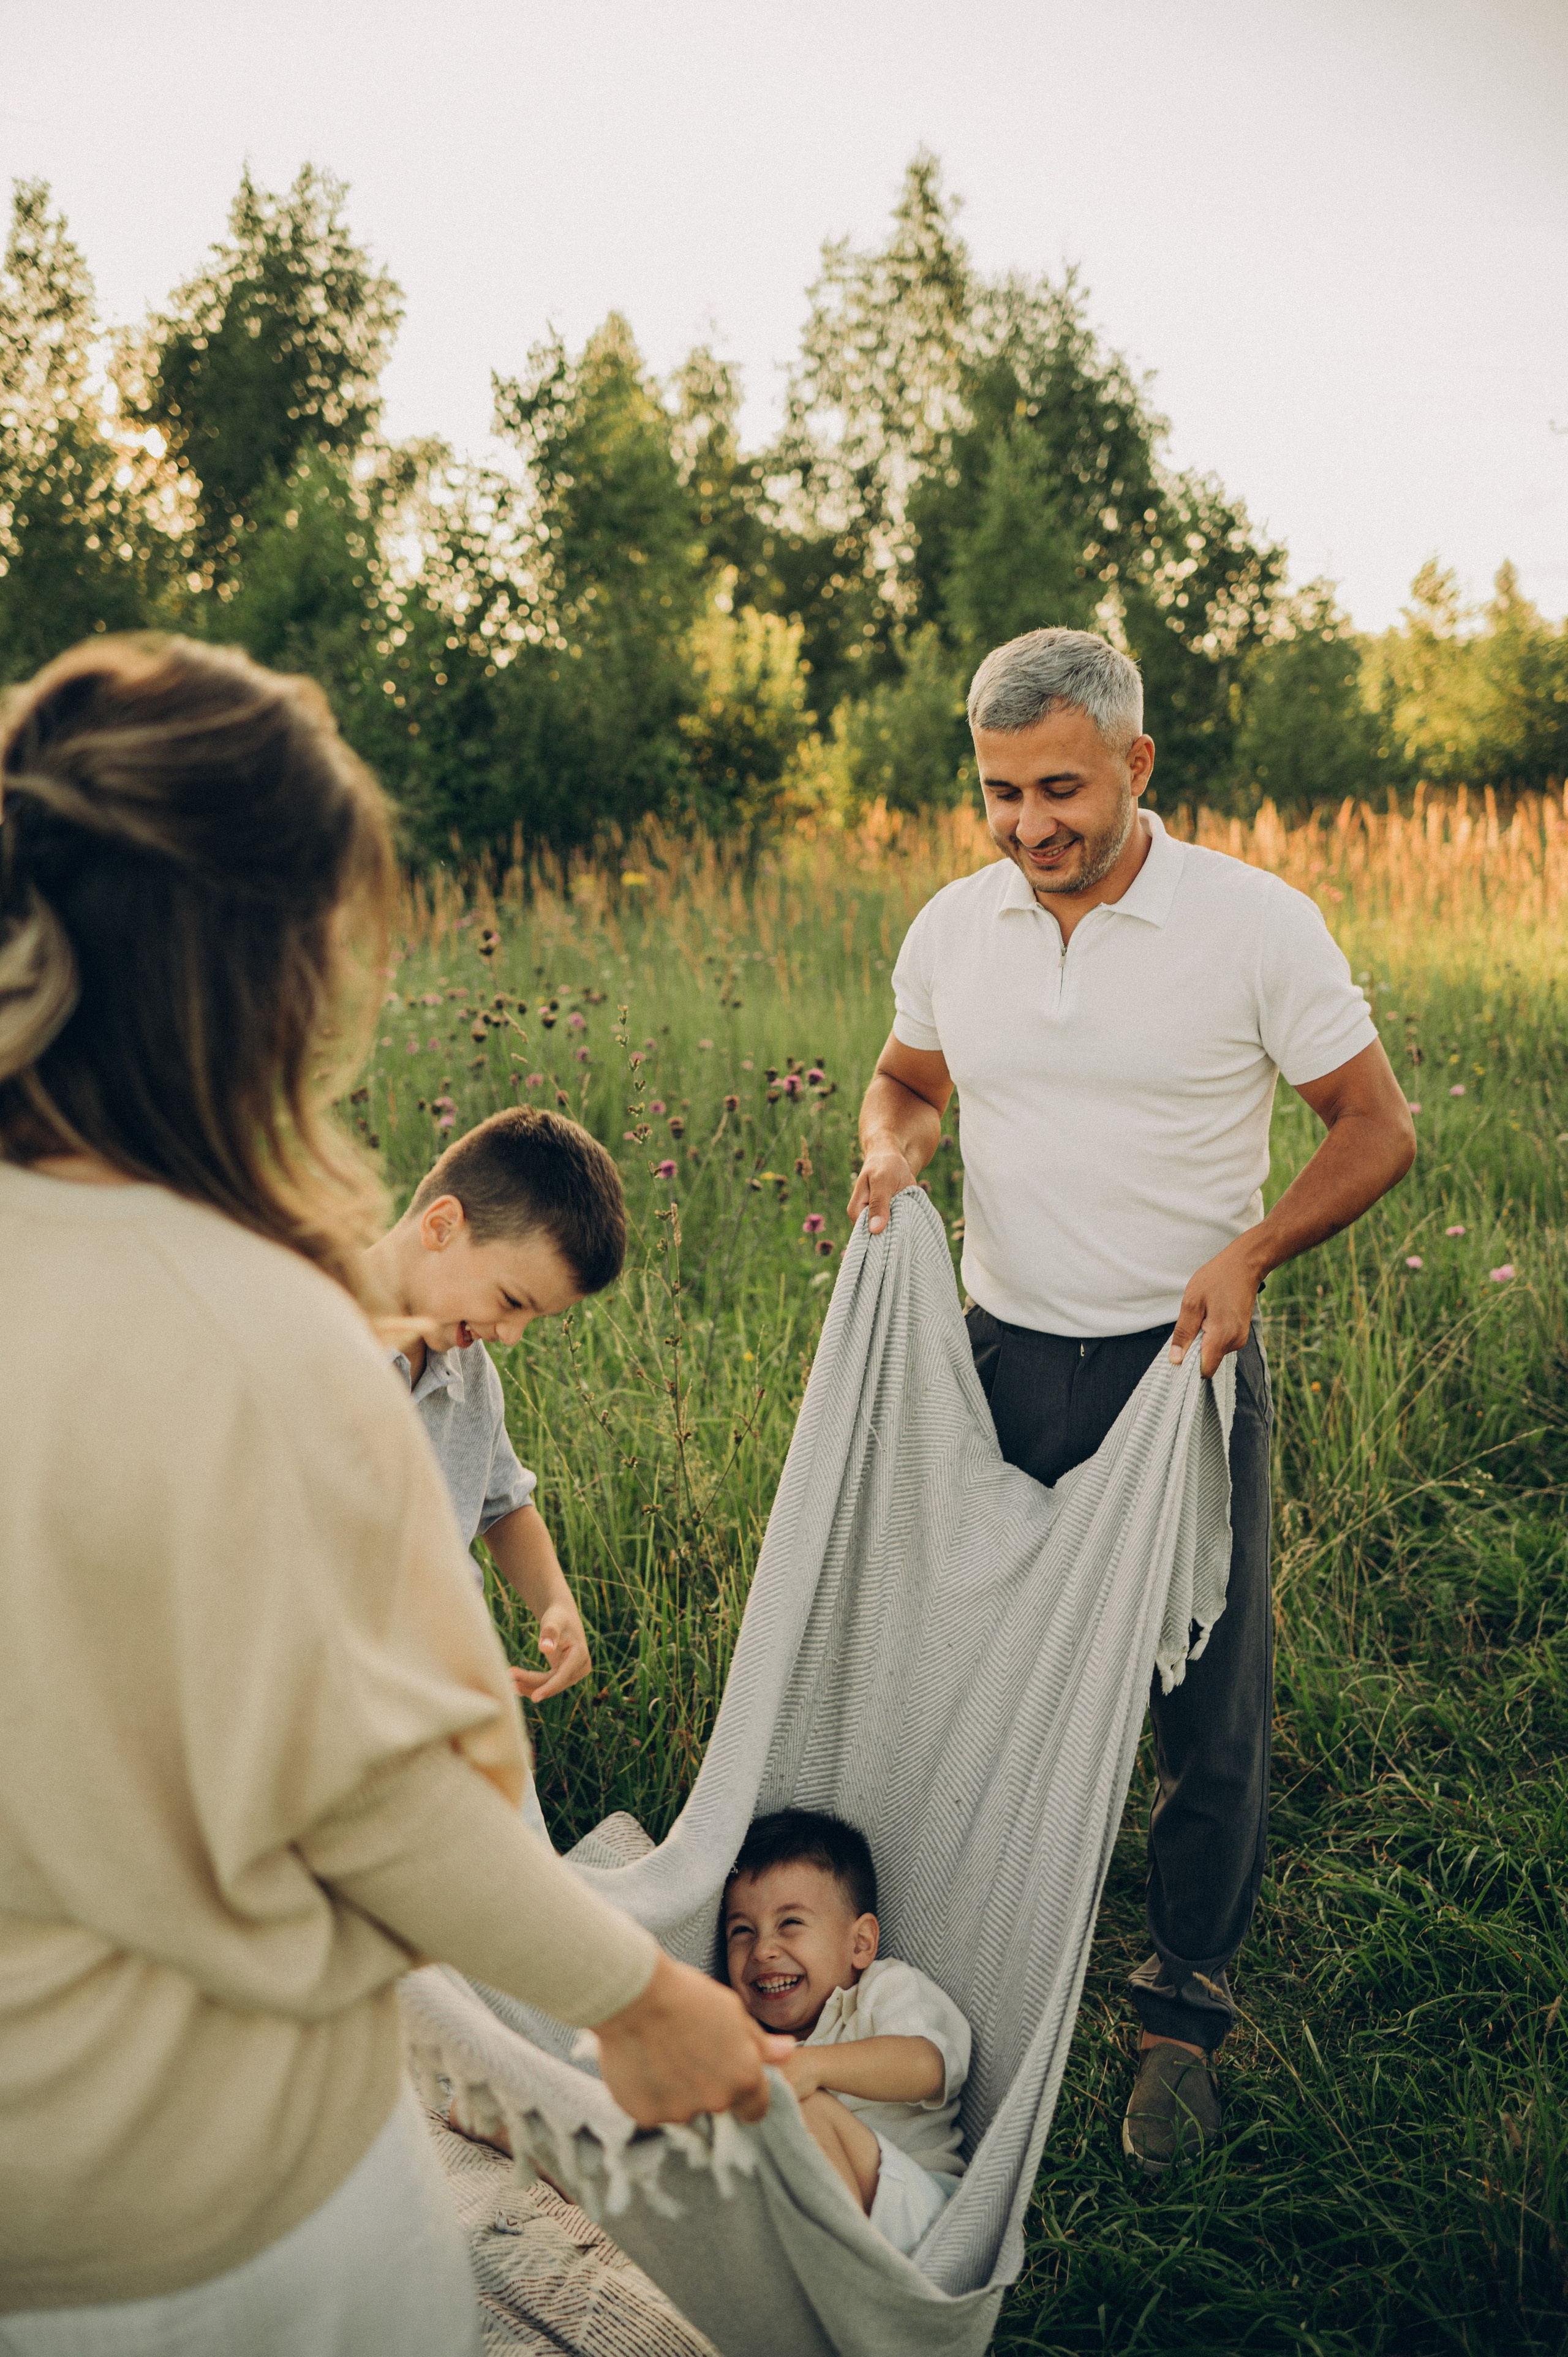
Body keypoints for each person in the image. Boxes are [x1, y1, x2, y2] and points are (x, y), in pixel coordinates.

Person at [0, 635, 788, 2356]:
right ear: (265, 976)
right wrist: (640, 1996)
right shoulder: (260, 1336)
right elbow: (375, 1794)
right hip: (214, 2214)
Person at [848, 627, 1414, 2176]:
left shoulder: (1250, 924)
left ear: (1134, 764)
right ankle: (959, 1969)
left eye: (1057, 788)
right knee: (974, 1673)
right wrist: (894, 1144)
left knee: (1204, 1708)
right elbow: (905, 1076)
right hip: (999, 1357)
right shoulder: (957, 927)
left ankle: (1178, 2020)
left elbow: (1373, 1128)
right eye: (997, 793)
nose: (1028, 825)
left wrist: (1251, 1248)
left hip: (1181, 1368)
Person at [363, 1107, 615, 1838]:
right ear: (441, 1225)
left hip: (458, 1702)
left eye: (533, 1318)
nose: (509, 1333)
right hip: (352, 1715)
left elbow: (504, 1504)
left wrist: (555, 1605)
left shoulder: (470, 1374)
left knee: (513, 1907)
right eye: (511, 1301)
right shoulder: (313, 1346)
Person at [722, 1811, 970, 2255]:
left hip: (917, 2211)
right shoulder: (743, 2038)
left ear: (860, 1944)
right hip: (801, 2222)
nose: (762, 1950)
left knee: (802, 2107)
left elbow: (925, 2066)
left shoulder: (884, 1989)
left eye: (790, 1924)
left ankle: (846, 2290)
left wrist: (810, 2067)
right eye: (742, 1931)